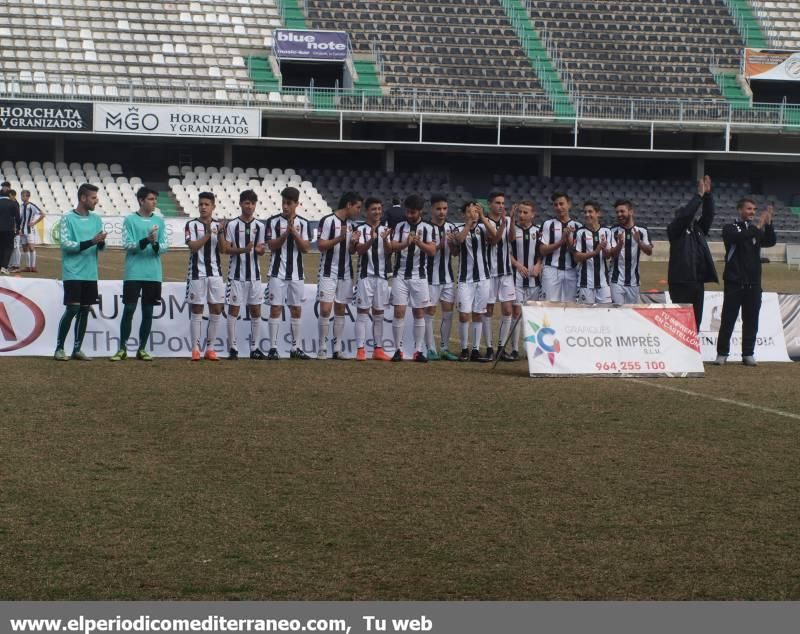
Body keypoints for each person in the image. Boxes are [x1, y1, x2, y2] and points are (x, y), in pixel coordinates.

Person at [714, 199, 776, 367]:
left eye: (754, 209)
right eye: (749, 209)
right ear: (739, 209)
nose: (752, 212)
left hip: (754, 284)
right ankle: (722, 353)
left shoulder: (754, 230)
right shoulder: (730, 228)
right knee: (728, 319)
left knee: (751, 320)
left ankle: (748, 354)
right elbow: (741, 237)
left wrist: (769, 224)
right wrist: (758, 225)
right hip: (734, 282)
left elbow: (770, 241)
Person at [109, 186, 168, 362]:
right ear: (141, 200)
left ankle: (142, 349)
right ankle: (122, 348)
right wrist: (145, 240)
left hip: (153, 274)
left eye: (155, 199)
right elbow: (127, 245)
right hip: (133, 272)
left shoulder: (160, 221)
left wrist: (156, 244)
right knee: (129, 309)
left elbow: (165, 246)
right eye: (151, 199)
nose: (154, 202)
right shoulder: (129, 220)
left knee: (148, 311)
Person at [54, 184, 106, 361]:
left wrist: (100, 242)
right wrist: (92, 241)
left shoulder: (97, 219)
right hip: (73, 272)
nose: (96, 201)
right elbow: (66, 245)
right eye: (93, 198)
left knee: (85, 310)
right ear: (83, 198)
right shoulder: (67, 218)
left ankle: (77, 349)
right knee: (73, 308)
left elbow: (100, 246)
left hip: (90, 273)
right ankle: (59, 348)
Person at [265, 186, 313, 360]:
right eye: (283, 203)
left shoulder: (304, 223)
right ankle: (273, 348)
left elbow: (306, 248)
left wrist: (295, 233)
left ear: (296, 204)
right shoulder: (272, 222)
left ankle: (295, 348)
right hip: (277, 272)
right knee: (275, 308)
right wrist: (286, 234)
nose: (285, 206)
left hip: (296, 274)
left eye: (289, 203)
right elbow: (271, 245)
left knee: (295, 309)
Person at [390, 194, 437, 362]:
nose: (409, 215)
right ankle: (398, 350)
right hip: (400, 275)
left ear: (420, 211)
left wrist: (418, 243)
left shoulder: (428, 228)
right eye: (408, 212)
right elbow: (392, 247)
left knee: (419, 312)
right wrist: (405, 243)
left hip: (419, 276)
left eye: (413, 212)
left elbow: (432, 251)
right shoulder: (399, 226)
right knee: (399, 311)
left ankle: (418, 350)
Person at [222, 189, 268, 361]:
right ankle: (232, 349)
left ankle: (254, 348)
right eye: (247, 203)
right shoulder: (232, 225)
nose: (250, 206)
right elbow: (226, 249)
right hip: (236, 276)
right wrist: (244, 250)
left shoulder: (260, 226)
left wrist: (259, 250)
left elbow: (262, 250)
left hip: (255, 276)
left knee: (256, 310)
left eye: (252, 203)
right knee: (234, 310)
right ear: (241, 204)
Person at [667, 176, 717, 331]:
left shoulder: (698, 230)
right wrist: (698, 196)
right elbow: (686, 215)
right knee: (682, 322)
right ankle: (681, 352)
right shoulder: (674, 230)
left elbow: (709, 215)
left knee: (696, 322)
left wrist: (708, 195)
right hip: (681, 283)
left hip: (697, 282)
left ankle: (693, 352)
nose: (691, 217)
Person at [317, 191, 362, 359]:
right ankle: (321, 347)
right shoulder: (328, 221)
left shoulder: (353, 225)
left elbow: (351, 251)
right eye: (357, 207)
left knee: (340, 309)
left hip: (346, 272)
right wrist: (340, 238)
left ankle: (336, 348)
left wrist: (353, 243)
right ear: (348, 205)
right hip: (328, 271)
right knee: (325, 309)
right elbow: (321, 246)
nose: (359, 211)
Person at [454, 201, 497, 362]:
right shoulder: (458, 229)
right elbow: (458, 241)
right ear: (464, 214)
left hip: (484, 278)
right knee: (464, 315)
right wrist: (468, 225)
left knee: (478, 314)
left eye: (475, 211)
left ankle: (476, 349)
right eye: (470, 212)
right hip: (465, 279)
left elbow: (495, 236)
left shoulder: (483, 228)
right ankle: (464, 348)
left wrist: (484, 218)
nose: (473, 214)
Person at [185, 192, 224, 361]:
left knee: (216, 309)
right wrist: (208, 234)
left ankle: (210, 348)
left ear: (213, 207)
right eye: (201, 204)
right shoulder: (191, 225)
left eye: (207, 204)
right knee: (197, 309)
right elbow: (193, 247)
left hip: (215, 273)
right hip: (197, 273)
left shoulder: (219, 225)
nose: (203, 207)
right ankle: (195, 349)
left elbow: (223, 249)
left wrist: (220, 233)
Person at [353, 196, 393, 361]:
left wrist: (384, 240)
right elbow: (360, 251)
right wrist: (372, 238)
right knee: (362, 312)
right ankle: (360, 349)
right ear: (367, 211)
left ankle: (378, 349)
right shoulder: (360, 229)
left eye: (379, 209)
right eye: (373, 209)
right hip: (365, 276)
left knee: (379, 313)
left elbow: (390, 252)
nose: (377, 212)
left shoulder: (386, 229)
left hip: (382, 277)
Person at [425, 194, 459, 361]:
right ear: (432, 209)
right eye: (438, 209)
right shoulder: (425, 227)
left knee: (448, 312)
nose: (442, 212)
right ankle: (430, 348)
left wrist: (452, 244)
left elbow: (454, 253)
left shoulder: (451, 227)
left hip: (447, 277)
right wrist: (441, 243)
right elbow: (428, 252)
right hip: (430, 277)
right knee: (430, 311)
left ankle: (444, 347)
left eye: (444, 209)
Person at [483, 191, 516, 361]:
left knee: (507, 309)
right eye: (497, 202)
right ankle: (489, 348)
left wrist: (511, 220)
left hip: (506, 271)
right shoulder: (484, 222)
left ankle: (502, 347)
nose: (501, 206)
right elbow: (494, 239)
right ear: (490, 204)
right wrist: (503, 223)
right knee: (488, 309)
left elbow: (511, 238)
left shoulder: (508, 220)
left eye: (503, 203)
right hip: (488, 272)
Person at [509, 200, 542, 360]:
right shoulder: (513, 231)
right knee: (516, 312)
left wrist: (538, 265)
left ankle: (531, 348)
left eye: (525, 212)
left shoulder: (539, 231)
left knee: (532, 315)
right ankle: (514, 349)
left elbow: (543, 252)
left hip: (534, 280)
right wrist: (517, 265)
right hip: (517, 278)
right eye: (520, 212)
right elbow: (505, 252)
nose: (521, 215)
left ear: (532, 214)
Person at [539, 191, 582, 302]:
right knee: (549, 304)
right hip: (551, 269)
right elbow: (542, 250)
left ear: (569, 204)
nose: (559, 207)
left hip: (571, 270)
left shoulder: (578, 227)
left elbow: (577, 254)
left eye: (561, 204)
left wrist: (568, 240)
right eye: (556, 204)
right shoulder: (548, 224)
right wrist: (560, 241)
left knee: (570, 306)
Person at [608, 199, 653, 304]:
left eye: (622, 211)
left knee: (631, 312)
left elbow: (649, 251)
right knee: (617, 312)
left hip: (634, 281)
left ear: (631, 212)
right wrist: (619, 245)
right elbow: (611, 254)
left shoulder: (642, 230)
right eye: (617, 212)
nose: (619, 214)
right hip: (616, 280)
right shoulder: (613, 231)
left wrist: (639, 242)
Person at [573, 201, 615, 305]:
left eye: (590, 212)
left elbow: (608, 256)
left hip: (603, 283)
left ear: (598, 213)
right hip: (585, 283)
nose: (587, 214)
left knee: (606, 313)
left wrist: (605, 250)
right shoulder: (580, 232)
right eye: (585, 212)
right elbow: (576, 257)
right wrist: (595, 252)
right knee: (586, 316)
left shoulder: (607, 231)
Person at [19, 190, 45, 272]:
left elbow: (43, 214)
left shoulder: (32, 206)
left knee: (31, 247)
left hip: (29, 230)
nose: (22, 197)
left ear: (28, 197)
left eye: (23, 196)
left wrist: (34, 222)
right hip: (22, 230)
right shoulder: (21, 206)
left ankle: (33, 266)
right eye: (21, 196)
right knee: (24, 248)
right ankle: (27, 267)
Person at [0, 181, 20, 275]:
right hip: (8, 229)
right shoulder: (13, 203)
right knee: (8, 247)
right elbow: (17, 217)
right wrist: (19, 228)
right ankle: (4, 267)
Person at [7, 189, 21, 272]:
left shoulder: (15, 204)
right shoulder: (13, 204)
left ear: (12, 195)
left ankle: (16, 265)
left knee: (16, 247)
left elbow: (16, 217)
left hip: (14, 228)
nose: (8, 197)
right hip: (12, 227)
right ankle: (12, 264)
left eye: (9, 196)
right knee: (12, 247)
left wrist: (17, 228)